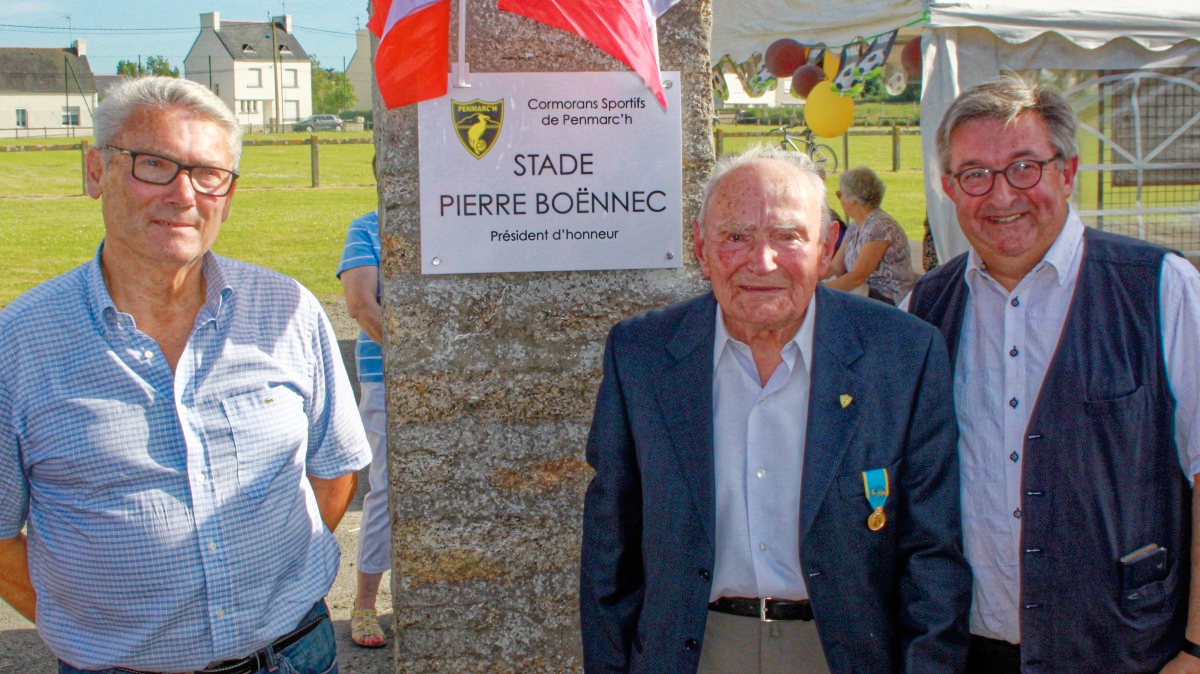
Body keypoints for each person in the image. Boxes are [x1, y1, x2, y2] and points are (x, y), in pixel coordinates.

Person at [0, 76, 372, 673]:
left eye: (208, 174)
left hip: (294, 655)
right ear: (97, 172)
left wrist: (268, 582)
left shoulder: (286, 311)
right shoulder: (20, 343)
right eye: (154, 164)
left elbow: (336, 473)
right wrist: (92, 629)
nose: (183, 194)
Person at [580, 146, 970, 673]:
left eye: (788, 237)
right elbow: (611, 547)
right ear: (701, 246)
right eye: (736, 236)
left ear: (827, 245)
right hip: (691, 650)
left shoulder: (901, 354)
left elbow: (932, 555)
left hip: (844, 653)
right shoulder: (643, 355)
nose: (761, 263)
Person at [906, 74, 1200, 673]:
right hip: (971, 654)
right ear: (949, 189)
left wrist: (1197, 648)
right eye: (975, 175)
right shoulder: (925, 309)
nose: (1001, 195)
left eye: (1023, 167)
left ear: (1066, 172)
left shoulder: (1163, 291)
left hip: (1129, 652)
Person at [336, 210, 390, 648]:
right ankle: (365, 603)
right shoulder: (367, 226)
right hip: (385, 373)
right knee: (388, 486)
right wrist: (418, 356)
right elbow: (360, 304)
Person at [824, 166, 915, 304]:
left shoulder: (879, 226)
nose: (839, 199)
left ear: (852, 199)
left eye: (839, 194)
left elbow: (857, 277)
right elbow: (836, 267)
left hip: (890, 299)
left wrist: (819, 292)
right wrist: (809, 281)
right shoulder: (855, 226)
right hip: (867, 293)